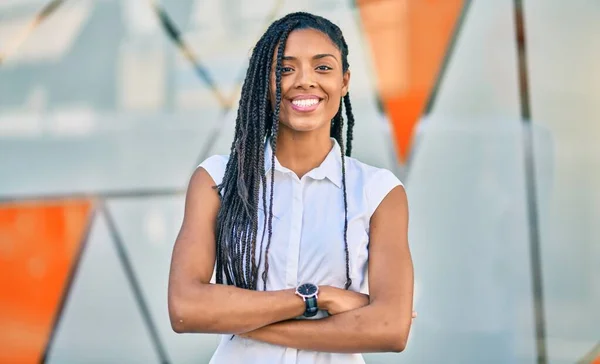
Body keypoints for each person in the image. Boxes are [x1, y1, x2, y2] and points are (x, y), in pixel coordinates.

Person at [168, 12, 414, 363]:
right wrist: (318, 298)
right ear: (263, 82)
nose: (305, 81)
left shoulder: (379, 193)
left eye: (322, 68)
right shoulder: (217, 180)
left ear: (345, 81)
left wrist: (242, 321)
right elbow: (185, 307)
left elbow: (390, 328)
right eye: (285, 69)